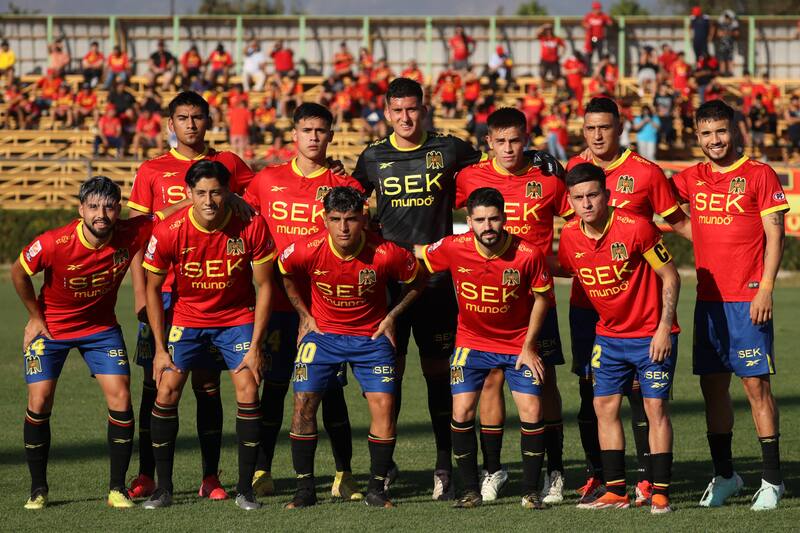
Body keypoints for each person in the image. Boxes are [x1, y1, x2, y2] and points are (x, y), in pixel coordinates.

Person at [353, 77, 562, 500]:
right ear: (386, 112)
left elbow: (499, 154)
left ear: (424, 109)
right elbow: (349, 205)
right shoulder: (372, 157)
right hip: (390, 284)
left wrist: (540, 154)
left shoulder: (450, 150)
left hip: (440, 283)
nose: (405, 117)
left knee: (443, 379)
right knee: (385, 379)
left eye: (413, 109)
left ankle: (445, 468)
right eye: (397, 111)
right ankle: (385, 466)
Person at [126, 91, 256, 501]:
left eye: (198, 117)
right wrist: (138, 296)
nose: (191, 124)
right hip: (162, 291)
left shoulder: (230, 165)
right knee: (157, 383)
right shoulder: (152, 170)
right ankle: (148, 474)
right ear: (170, 123)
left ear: (208, 121)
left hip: (213, 293)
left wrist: (238, 195)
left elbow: (259, 197)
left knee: (208, 385)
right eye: (182, 117)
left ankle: (210, 476)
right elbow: (136, 236)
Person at [566, 96, 691, 506]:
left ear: (620, 128)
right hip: (594, 312)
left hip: (645, 316)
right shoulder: (572, 171)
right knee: (595, 396)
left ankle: (650, 483)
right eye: (590, 128)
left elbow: (677, 225)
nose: (597, 135)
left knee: (646, 399)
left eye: (605, 127)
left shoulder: (645, 175)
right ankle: (601, 479)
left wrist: (724, 258)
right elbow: (561, 255)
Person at [10, 177, 162, 510]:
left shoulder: (130, 232)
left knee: (121, 395)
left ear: (118, 209)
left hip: (101, 330)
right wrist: (36, 317)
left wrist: (224, 200)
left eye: (108, 206)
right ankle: (38, 489)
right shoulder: (54, 242)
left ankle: (117, 489)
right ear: (81, 209)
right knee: (40, 399)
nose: (101, 214)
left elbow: (169, 214)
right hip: (51, 331)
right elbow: (19, 272)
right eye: (93, 206)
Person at [242, 103, 363, 501]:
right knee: (273, 389)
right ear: (293, 133)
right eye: (306, 129)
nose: (314, 137)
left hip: (328, 309)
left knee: (330, 391)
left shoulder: (344, 186)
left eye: (321, 130)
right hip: (275, 304)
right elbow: (244, 229)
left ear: (331, 135)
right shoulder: (266, 180)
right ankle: (262, 470)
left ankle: (344, 473)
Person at [672, 99, 789, 511]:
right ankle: (726, 476)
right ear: (696, 135)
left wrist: (766, 288)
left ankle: (772, 481)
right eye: (706, 133)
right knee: (712, 388)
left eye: (720, 131)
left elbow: (776, 235)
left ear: (734, 130)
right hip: (709, 301)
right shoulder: (691, 177)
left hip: (748, 298)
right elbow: (665, 209)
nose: (714, 140)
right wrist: (698, 237)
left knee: (756, 386)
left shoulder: (759, 174)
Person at [141, 160, 275, 510]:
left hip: (236, 319)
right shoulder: (171, 230)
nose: (209, 200)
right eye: (201, 193)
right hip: (187, 318)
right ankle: (164, 488)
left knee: (248, 386)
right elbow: (153, 289)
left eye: (216, 192)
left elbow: (264, 286)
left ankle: (244, 490)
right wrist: (159, 348)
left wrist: (257, 345)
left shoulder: (251, 225)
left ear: (228, 192)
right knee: (167, 388)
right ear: (189, 194)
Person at [278, 186, 423, 508]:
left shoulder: (385, 252)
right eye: (336, 219)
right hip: (323, 336)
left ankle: (376, 489)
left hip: (371, 339)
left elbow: (417, 280)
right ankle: (304, 490)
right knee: (302, 404)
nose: (343, 227)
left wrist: (391, 317)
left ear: (364, 218)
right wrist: (304, 315)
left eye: (351, 219)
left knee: (384, 405)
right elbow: (284, 273)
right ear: (324, 219)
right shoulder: (306, 249)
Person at [454, 113, 573, 503]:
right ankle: (493, 470)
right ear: (489, 141)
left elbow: (576, 218)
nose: (508, 149)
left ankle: (553, 472)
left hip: (536, 304)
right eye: (501, 141)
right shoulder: (469, 177)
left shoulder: (549, 179)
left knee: (544, 385)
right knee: (489, 381)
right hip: (487, 308)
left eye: (516, 141)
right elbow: (440, 205)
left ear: (527, 140)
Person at [417, 187, 554, 510]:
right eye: (480, 220)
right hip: (471, 344)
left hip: (518, 345)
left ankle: (531, 492)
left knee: (532, 410)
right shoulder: (453, 247)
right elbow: (419, 254)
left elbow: (543, 298)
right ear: (469, 221)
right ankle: (469, 491)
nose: (487, 226)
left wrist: (529, 345)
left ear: (504, 219)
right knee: (461, 411)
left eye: (494, 218)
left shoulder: (527, 254)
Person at [582, 2, 613, 69]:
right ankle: (587, 71)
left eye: (599, 9)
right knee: (589, 54)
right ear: (593, 9)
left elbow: (610, 23)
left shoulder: (603, 15)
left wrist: (609, 19)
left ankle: (601, 71)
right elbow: (584, 23)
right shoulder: (589, 16)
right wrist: (586, 25)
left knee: (600, 55)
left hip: (599, 38)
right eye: (596, 9)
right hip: (592, 38)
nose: (598, 10)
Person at [713, 10, 739, 77]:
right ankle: (722, 72)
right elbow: (719, 34)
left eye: (728, 18)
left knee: (730, 59)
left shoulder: (733, 26)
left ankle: (730, 72)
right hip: (722, 45)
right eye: (726, 18)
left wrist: (727, 33)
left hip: (730, 45)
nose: (727, 19)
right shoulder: (721, 25)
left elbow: (736, 34)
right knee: (722, 60)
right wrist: (727, 33)